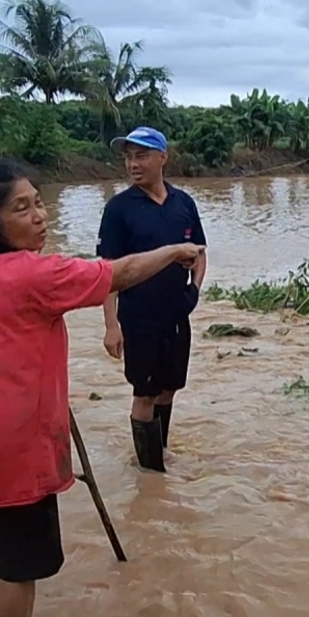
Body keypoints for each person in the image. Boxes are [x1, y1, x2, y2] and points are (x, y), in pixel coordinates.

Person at [0, 160, 203, 617]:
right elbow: (119, 273)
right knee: (15, 569)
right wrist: (174, 250)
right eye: (21, 208)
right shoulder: (34, 274)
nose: (40, 215)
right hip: (1, 454)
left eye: (39, 202)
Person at [96, 126, 208, 473]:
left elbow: (201, 253)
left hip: (177, 314)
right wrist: (111, 325)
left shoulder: (183, 203)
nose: (133, 164)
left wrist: (194, 289)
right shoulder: (118, 209)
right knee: (143, 394)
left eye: (141, 155)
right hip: (138, 316)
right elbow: (107, 272)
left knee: (169, 388)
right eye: (128, 157)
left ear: (163, 158)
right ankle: (149, 470)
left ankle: (159, 450)